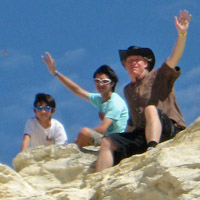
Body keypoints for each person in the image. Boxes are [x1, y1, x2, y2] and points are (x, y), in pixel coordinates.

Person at [95, 10, 192, 172]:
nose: (133, 63)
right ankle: (98, 182)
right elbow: (132, 124)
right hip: (142, 134)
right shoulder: (128, 90)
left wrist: (182, 34)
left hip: (168, 129)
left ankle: (152, 149)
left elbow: (174, 57)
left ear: (146, 63)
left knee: (150, 108)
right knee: (107, 141)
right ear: (125, 66)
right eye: (129, 61)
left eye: (137, 60)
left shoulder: (158, 76)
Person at [41, 54, 128, 147]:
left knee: (84, 133)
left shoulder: (115, 102)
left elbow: (102, 129)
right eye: (97, 81)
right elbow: (77, 90)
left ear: (112, 84)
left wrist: (79, 139)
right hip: (107, 139)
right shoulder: (100, 99)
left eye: (104, 81)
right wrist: (55, 73)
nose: (100, 84)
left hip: (116, 142)